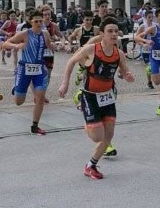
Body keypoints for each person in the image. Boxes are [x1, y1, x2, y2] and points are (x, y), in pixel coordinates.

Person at [58, 16, 135, 179]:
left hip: (108, 97)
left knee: (109, 136)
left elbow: (123, 72)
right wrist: (65, 84)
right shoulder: (91, 50)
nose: (114, 34)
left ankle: (90, 165)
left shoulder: (119, 53)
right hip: (91, 96)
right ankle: (86, 116)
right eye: (110, 31)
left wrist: (127, 76)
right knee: (97, 137)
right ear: (102, 34)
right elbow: (71, 62)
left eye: (116, 31)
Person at [1, 10, 54, 135]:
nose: (39, 24)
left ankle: (35, 126)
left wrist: (60, 46)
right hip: (24, 68)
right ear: (31, 22)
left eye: (40, 21)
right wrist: (17, 46)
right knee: (19, 102)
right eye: (36, 21)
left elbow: (49, 45)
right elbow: (6, 44)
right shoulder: (25, 34)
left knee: (40, 97)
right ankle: (17, 85)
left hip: (39, 68)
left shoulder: (45, 34)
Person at [136, 8, 160, 117]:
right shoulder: (153, 28)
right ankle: (149, 69)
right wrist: (146, 41)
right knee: (157, 82)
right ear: (156, 18)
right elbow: (137, 37)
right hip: (154, 58)